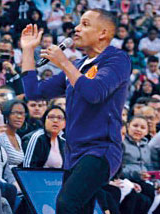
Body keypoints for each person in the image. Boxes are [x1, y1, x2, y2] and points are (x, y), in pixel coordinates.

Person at [20, 9, 131, 213]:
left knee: (66, 203)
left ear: (103, 33)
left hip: (101, 150)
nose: (77, 29)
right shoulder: (77, 65)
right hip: (74, 153)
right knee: (80, 208)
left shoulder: (117, 59)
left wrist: (63, 63)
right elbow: (33, 92)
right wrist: (27, 50)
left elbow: (94, 92)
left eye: (85, 24)